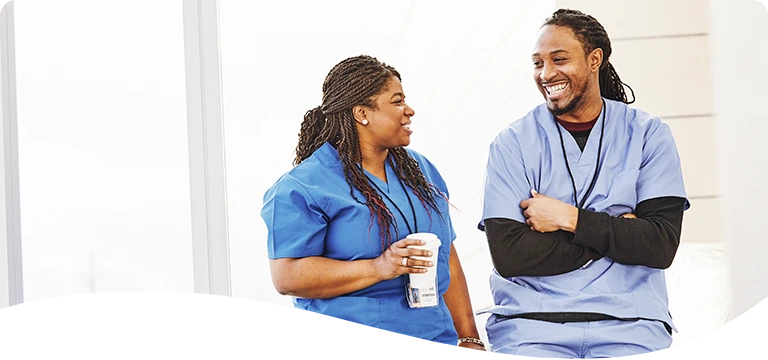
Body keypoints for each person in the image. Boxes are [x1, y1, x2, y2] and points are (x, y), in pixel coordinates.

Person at [479, 9, 689, 359]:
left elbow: (660, 245)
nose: (546, 74)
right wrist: (618, 233)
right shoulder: (512, 143)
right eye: (537, 63)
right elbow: (511, 255)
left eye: (559, 59)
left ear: (595, 60)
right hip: (532, 325)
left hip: (630, 324)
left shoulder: (649, 135)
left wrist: (568, 218)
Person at [261, 55, 485, 352]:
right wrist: (379, 267)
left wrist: (468, 337)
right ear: (361, 113)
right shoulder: (303, 187)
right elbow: (287, 276)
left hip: (435, 343)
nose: (409, 110)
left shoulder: (420, 170)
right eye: (397, 101)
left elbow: (447, 256)